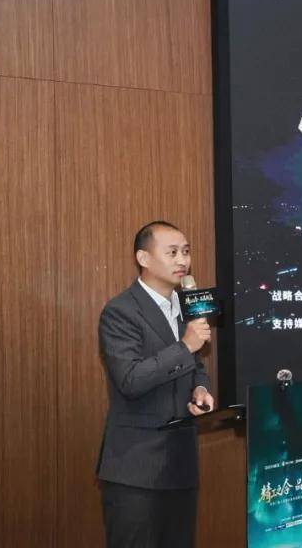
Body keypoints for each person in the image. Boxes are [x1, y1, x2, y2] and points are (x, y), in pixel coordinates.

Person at [95, 220, 216, 547]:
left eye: (186, 252)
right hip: (137, 470)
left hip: (181, 466)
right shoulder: (120, 311)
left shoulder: (187, 308)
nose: (183, 260)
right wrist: (186, 345)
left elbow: (195, 365)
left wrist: (201, 388)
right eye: (172, 252)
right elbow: (130, 380)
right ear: (144, 258)